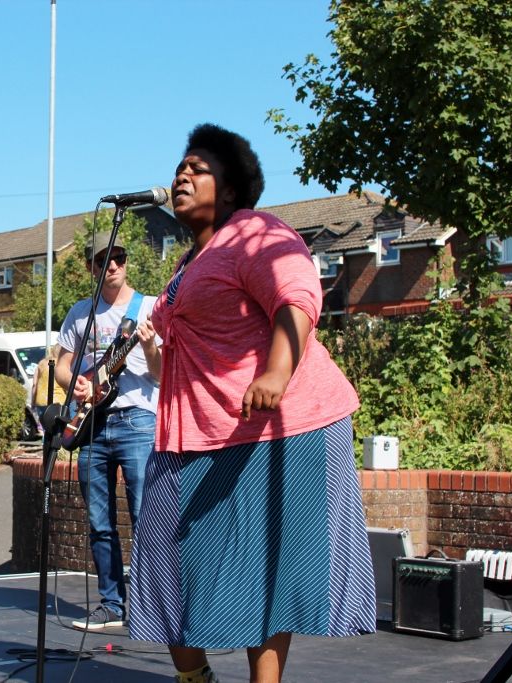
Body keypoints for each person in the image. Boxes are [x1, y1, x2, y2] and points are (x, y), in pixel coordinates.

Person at [128, 124, 375, 683]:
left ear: (233, 191)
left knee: (269, 569)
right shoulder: (186, 265)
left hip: (283, 425)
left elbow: (298, 295)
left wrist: (276, 370)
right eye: (179, 168)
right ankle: (196, 677)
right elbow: (184, 361)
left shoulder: (256, 233)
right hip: (197, 431)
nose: (181, 176)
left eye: (198, 169)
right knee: (164, 560)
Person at [55, 232, 161, 630]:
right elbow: (63, 365)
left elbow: (160, 373)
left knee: (143, 516)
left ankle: (153, 606)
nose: (112, 266)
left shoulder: (147, 308)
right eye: (103, 260)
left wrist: (149, 347)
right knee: (99, 522)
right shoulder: (81, 313)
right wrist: (76, 384)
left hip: (136, 420)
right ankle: (111, 606)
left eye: (118, 258)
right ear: (91, 268)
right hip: (92, 424)